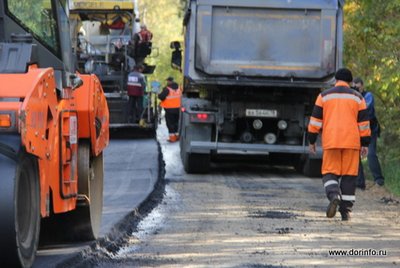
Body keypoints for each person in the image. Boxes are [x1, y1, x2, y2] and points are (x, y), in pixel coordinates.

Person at [308, 68, 371, 221]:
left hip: (332, 141)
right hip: (351, 142)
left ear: (335, 80)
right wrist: (365, 143)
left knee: (330, 172)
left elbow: (315, 121)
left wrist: (311, 140)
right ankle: (346, 211)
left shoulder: (323, 96)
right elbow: (363, 123)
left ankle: (334, 195)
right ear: (350, 82)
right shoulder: (358, 98)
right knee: (349, 176)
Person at [353, 77, 385, 189]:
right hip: (358, 131)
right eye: (354, 86)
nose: (356, 88)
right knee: (355, 155)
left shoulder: (368, 95)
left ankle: (379, 180)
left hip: (371, 130)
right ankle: (360, 182)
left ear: (362, 85)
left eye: (357, 85)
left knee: (371, 154)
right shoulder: (353, 98)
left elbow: (365, 109)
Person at [158, 77, 181, 142]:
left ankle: (172, 138)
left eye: (167, 81)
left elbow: (161, 97)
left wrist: (159, 94)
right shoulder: (179, 88)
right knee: (176, 123)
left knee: (170, 124)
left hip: (170, 109)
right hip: (178, 109)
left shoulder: (167, 89)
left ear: (169, 81)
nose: (167, 82)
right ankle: (177, 137)